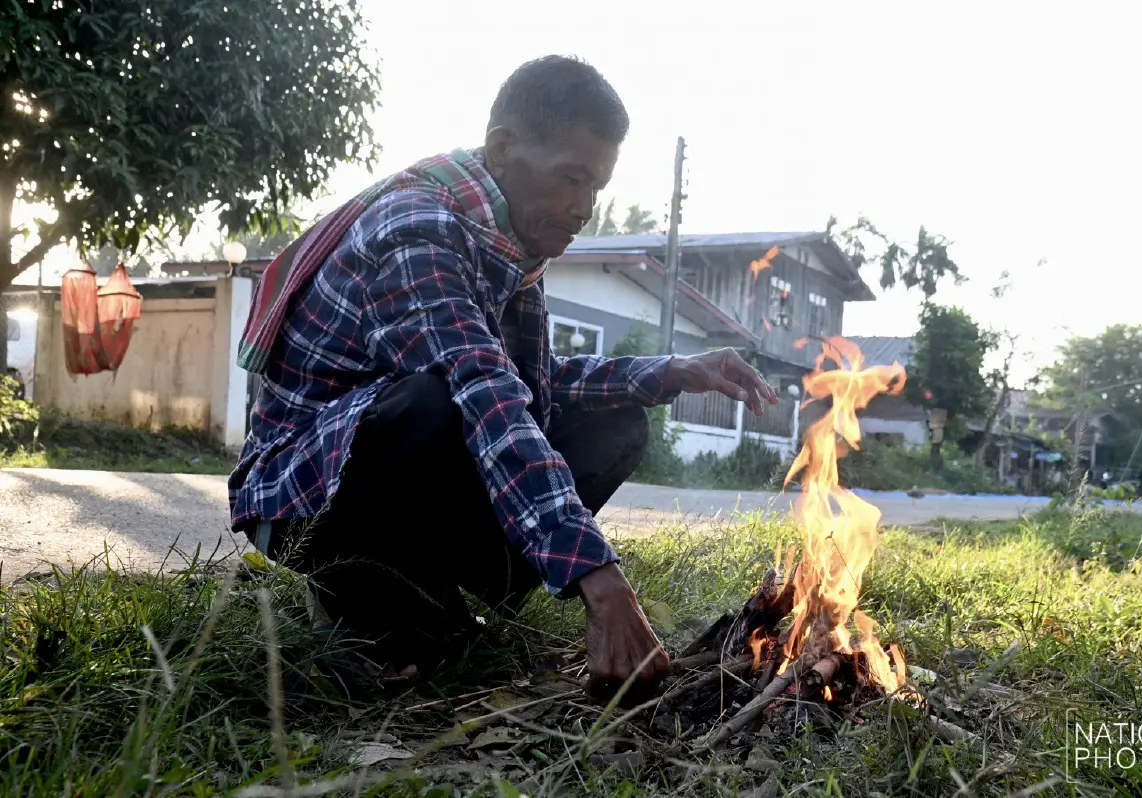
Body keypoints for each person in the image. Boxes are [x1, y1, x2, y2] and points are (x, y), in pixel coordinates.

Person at [228, 55, 777, 700]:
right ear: (502, 148)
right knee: (438, 403)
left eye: (596, 188)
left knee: (616, 422)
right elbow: (488, 397)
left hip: (394, 468)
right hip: (305, 498)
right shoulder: (418, 230)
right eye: (572, 179)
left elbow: (532, 384)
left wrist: (675, 371)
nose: (584, 209)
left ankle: (430, 596)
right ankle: (352, 590)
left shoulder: (509, 244)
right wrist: (601, 581)